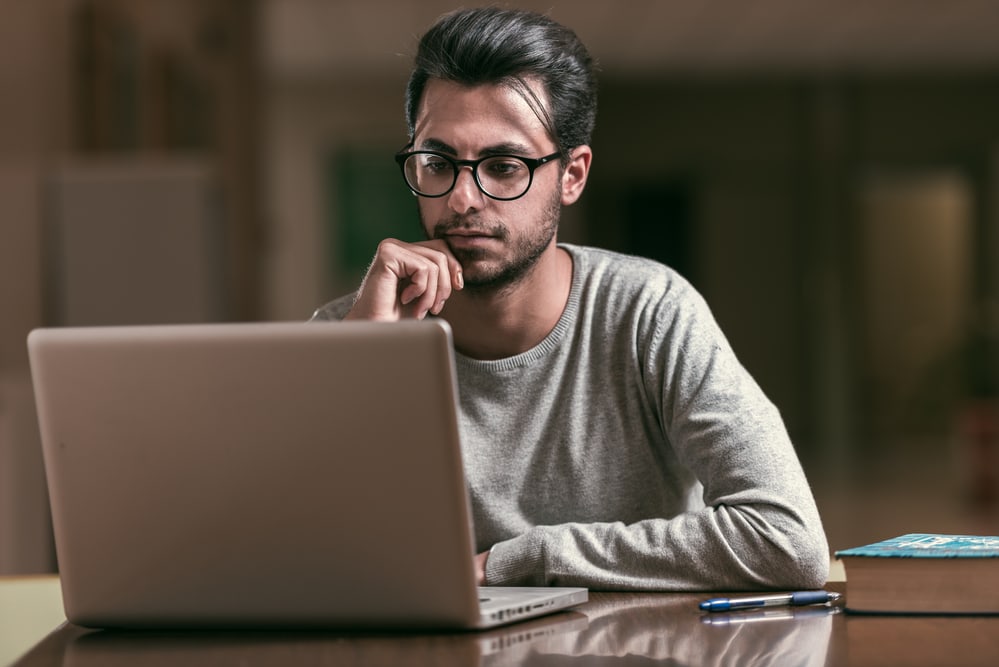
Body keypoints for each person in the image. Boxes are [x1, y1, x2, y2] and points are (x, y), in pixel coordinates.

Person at [312, 7, 829, 591]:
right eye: (438, 163)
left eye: (503, 166)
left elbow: (787, 540)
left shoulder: (648, 312)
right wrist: (356, 365)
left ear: (572, 175)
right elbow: (288, 550)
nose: (461, 199)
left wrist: (521, 560)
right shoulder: (353, 328)